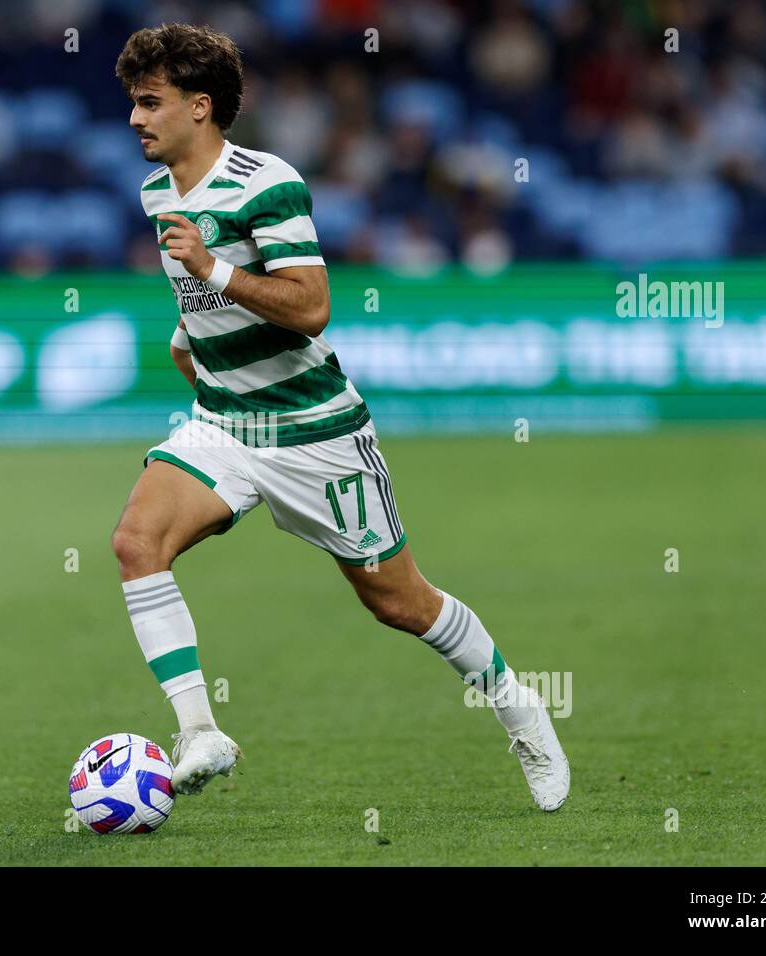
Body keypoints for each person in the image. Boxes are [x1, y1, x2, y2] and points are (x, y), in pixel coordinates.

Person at [111, 23, 569, 811]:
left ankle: (519, 708)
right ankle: (199, 733)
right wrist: (191, 334)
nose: (135, 120)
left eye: (150, 103)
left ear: (200, 106)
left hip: (314, 429)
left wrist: (213, 269)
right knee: (134, 541)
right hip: (224, 422)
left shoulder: (267, 183)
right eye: (133, 104)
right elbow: (202, 295)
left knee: (399, 602)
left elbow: (312, 307)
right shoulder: (159, 192)